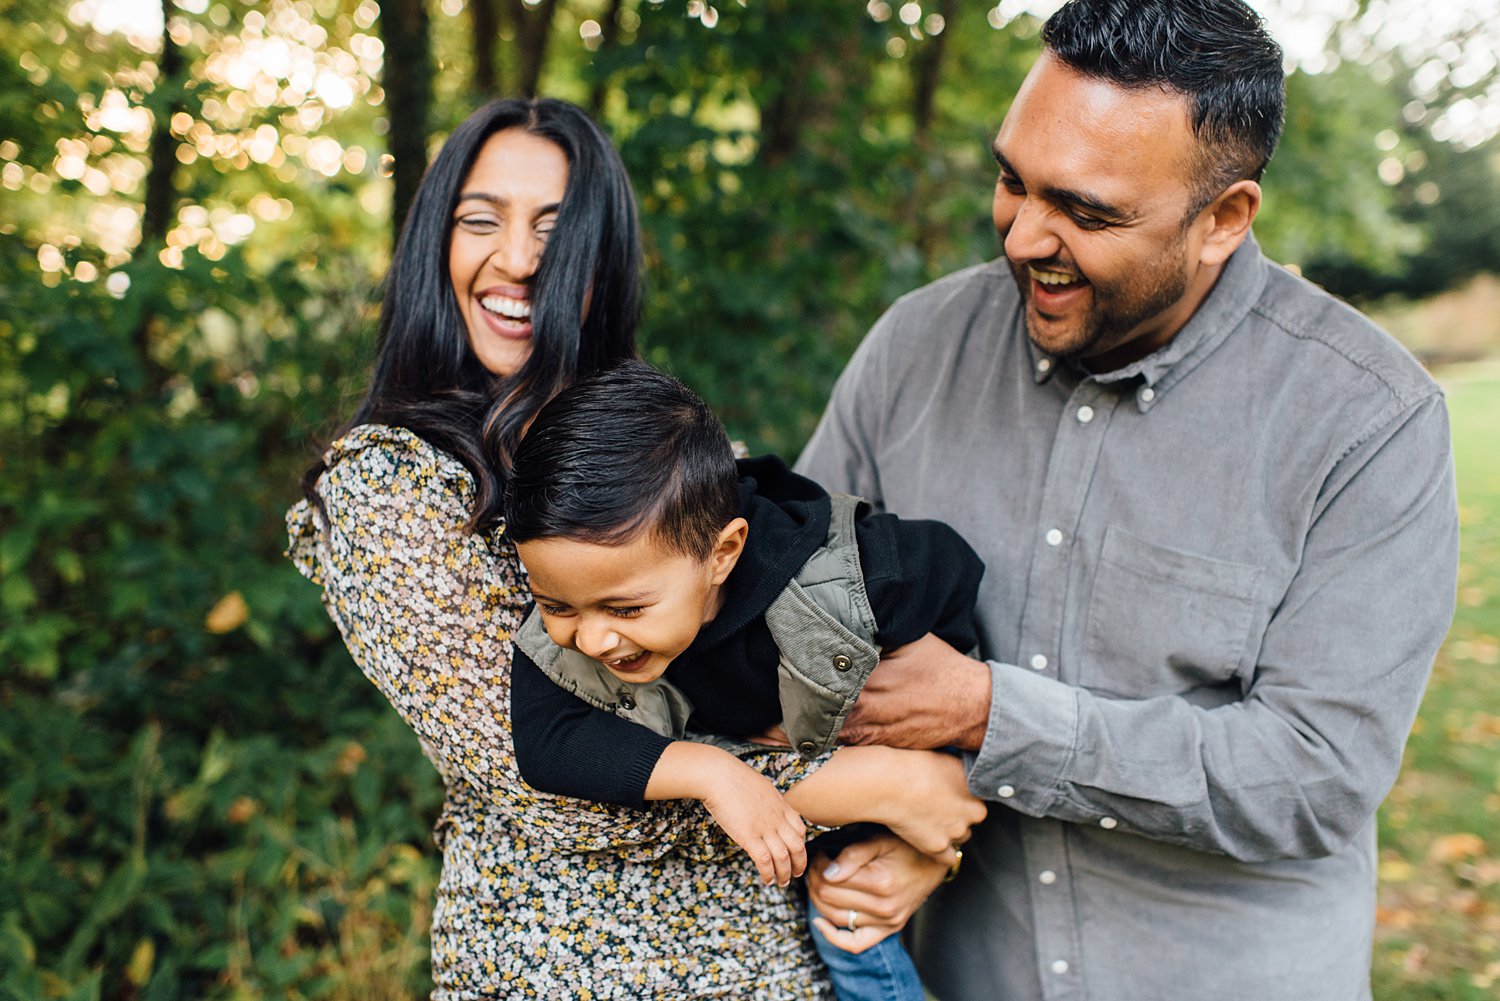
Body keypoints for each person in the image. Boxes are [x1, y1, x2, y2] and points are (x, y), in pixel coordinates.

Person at [795, 2, 1461, 999]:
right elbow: (781, 618)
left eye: (1088, 211)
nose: (1023, 236)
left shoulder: (1369, 419)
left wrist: (987, 717)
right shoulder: (915, 350)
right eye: (1012, 180)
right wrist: (890, 801)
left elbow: (1314, 774)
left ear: (1224, 220)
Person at [286, 97, 900, 999]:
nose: (519, 258)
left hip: (773, 961)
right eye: (480, 220)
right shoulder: (390, 482)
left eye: (556, 227)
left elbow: (816, 649)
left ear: (601, 259)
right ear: (435, 245)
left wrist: (912, 808)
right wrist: (884, 784)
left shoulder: (665, 455)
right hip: (564, 966)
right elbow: (543, 780)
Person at [501, 360, 989, 1001]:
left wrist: (932, 731)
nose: (592, 640)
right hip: (802, 849)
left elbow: (952, 570)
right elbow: (547, 742)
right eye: (559, 606)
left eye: (625, 610)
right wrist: (710, 772)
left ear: (722, 553)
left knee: (852, 932)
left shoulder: (848, 577)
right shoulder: (577, 616)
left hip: (875, 820)